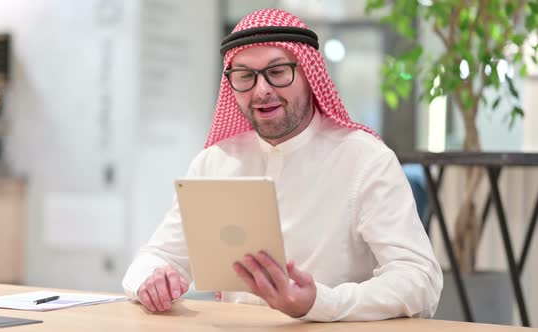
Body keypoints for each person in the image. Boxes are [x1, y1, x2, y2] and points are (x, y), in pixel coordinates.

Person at [123, 8, 442, 322]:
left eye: (277, 72)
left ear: (309, 74)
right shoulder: (215, 162)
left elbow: (419, 280)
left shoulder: (366, 160)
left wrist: (321, 303)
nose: (262, 90)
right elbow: (157, 257)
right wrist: (151, 281)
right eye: (245, 76)